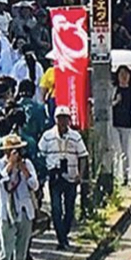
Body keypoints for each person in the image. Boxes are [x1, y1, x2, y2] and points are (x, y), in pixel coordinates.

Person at [0, 133, 40, 260]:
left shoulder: (27, 164)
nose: (16, 153)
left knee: (21, 255)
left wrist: (24, 170)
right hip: (7, 214)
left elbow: (35, 185)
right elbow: (1, 180)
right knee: (5, 253)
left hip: (24, 212)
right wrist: (10, 165)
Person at [38, 105, 90, 250]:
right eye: (60, 119)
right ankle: (61, 239)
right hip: (55, 177)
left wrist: (80, 173)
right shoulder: (47, 136)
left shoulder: (75, 136)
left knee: (69, 209)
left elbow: (83, 156)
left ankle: (64, 233)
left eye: (65, 119)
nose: (62, 122)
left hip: (71, 177)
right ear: (55, 120)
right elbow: (40, 154)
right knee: (56, 209)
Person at [112, 66, 131, 187]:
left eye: (126, 74)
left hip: (126, 124)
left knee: (125, 152)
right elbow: (108, 106)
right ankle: (115, 175)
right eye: (121, 74)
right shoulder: (114, 89)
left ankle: (125, 176)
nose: (123, 77)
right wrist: (115, 102)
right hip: (114, 124)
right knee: (117, 150)